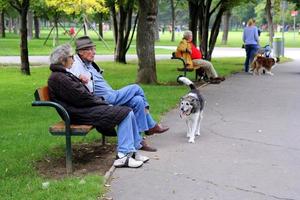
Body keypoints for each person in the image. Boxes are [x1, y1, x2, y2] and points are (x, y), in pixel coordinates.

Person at [47, 44, 150, 168]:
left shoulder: (62, 75)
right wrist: (103, 103)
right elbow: (81, 98)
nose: (73, 59)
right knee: (125, 112)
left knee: (128, 111)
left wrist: (97, 99)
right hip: (79, 114)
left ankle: (131, 152)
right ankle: (123, 155)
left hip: (83, 110)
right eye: (71, 57)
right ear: (63, 60)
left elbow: (81, 95)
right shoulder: (59, 78)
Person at [68, 36, 169, 152]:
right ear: (81, 51)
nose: (94, 52)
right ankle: (150, 125)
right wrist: (79, 77)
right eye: (90, 49)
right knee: (136, 88)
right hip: (104, 99)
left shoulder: (88, 63)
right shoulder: (76, 63)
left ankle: (139, 142)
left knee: (138, 101)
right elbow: (67, 71)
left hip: (111, 95)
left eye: (94, 48)